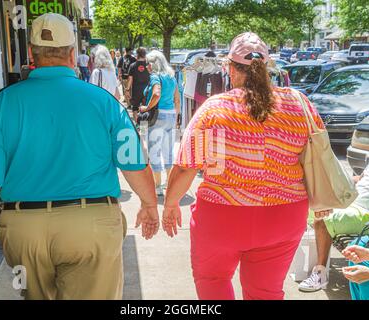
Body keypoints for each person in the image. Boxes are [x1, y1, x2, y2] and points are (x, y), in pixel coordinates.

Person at [0, 13, 159, 300]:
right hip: (91, 227)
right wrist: (149, 204)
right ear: (72, 53)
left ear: (31, 53)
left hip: (23, 230)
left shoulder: (2, 103)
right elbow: (134, 162)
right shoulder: (104, 102)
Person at [162, 32, 326, 300]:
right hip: (284, 217)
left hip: (222, 217)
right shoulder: (299, 103)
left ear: (229, 68)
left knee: (212, 282)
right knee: (266, 293)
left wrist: (171, 204)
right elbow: (317, 152)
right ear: (268, 67)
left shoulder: (215, 108)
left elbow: (186, 166)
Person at [299, 125, 369, 293]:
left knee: (323, 217)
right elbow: (362, 179)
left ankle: (320, 272)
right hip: (352, 203)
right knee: (309, 206)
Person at [140, 50, 180, 196]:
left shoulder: (155, 77)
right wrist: (176, 116)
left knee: (154, 150)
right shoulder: (171, 76)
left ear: (154, 63)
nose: (147, 66)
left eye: (148, 63)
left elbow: (156, 94)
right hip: (170, 115)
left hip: (157, 116)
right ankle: (169, 184)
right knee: (168, 151)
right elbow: (177, 98)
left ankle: (157, 186)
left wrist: (146, 107)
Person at [127, 47, 150, 123]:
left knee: (135, 108)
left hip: (136, 91)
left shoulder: (132, 65)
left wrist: (127, 90)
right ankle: (143, 127)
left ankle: (137, 124)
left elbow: (130, 80)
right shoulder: (149, 65)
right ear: (145, 54)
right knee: (145, 108)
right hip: (147, 90)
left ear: (137, 54)